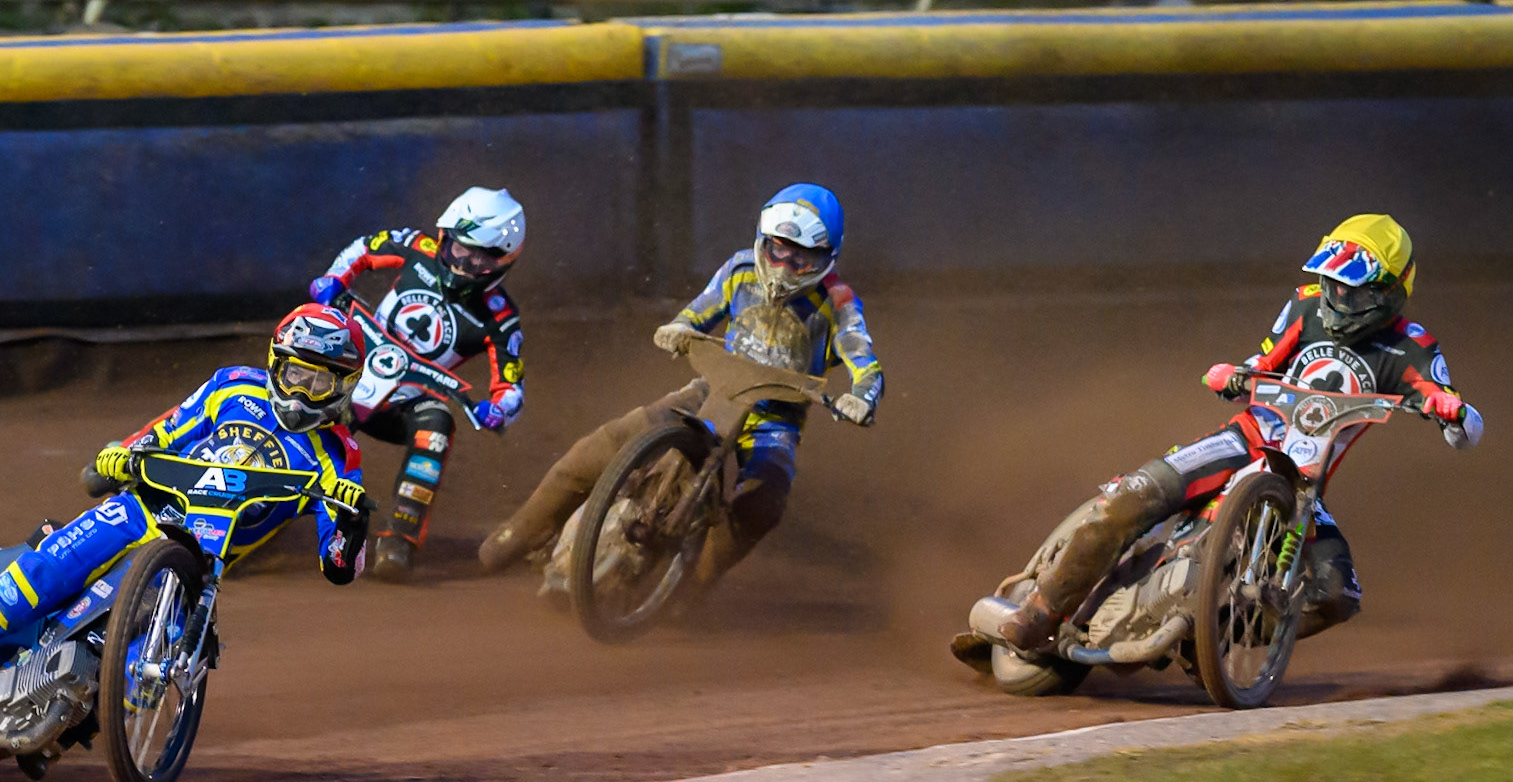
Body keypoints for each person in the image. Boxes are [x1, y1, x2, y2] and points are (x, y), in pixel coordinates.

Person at [0, 303, 371, 732]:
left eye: (320, 381)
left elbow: (336, 564)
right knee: (37, 578)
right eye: (295, 373)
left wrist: (350, 526)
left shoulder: (339, 456)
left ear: (344, 387)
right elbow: (166, 430)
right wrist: (118, 454)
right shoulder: (233, 388)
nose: (303, 391)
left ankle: (58, 714)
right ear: (274, 363)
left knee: (140, 685)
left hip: (194, 567)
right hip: (138, 510)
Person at [999, 213, 1485, 653]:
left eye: (1352, 291)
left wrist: (1452, 412)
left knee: (1337, 594)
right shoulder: (1306, 306)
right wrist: (1234, 373)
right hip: (1245, 439)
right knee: (1139, 494)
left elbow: (1464, 428)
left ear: (1388, 292)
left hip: (1303, 484)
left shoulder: (1413, 347)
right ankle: (1041, 610)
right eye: (1332, 284)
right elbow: (1263, 361)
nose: (1338, 297)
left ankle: (1211, 637)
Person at [478, 182, 883, 592]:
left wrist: (861, 397)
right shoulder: (740, 269)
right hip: (711, 389)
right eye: (778, 250)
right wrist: (679, 328)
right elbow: (700, 310)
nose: (784, 266)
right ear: (764, 241)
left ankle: (686, 591)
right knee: (601, 447)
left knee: (762, 505)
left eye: (800, 258)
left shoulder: (838, 301)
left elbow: (862, 357)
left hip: (774, 420)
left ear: (826, 258)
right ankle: (517, 535)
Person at [310, 186, 528, 582]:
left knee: (438, 424)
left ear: (502, 261)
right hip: (353, 367)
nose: (462, 262)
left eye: (478, 257)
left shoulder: (501, 318)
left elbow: (512, 386)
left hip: (408, 401)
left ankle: (399, 541)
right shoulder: (418, 246)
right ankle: (260, 499)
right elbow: (364, 248)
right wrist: (333, 280)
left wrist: (499, 409)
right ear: (443, 238)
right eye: (458, 249)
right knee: (305, 395)